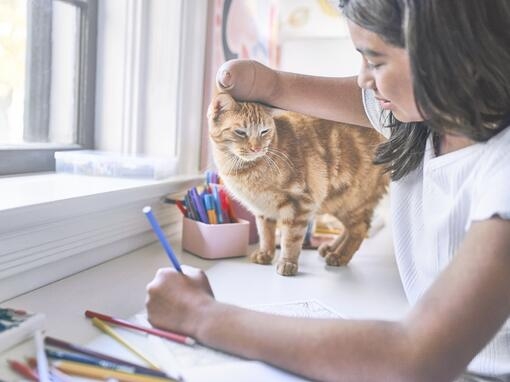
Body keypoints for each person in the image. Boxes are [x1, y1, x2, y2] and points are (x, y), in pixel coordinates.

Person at [145, 1, 510, 381]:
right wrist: (267, 84)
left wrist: (201, 315)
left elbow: (413, 358)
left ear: (450, 53)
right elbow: (356, 99)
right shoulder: (421, 119)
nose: (363, 79)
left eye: (376, 61)